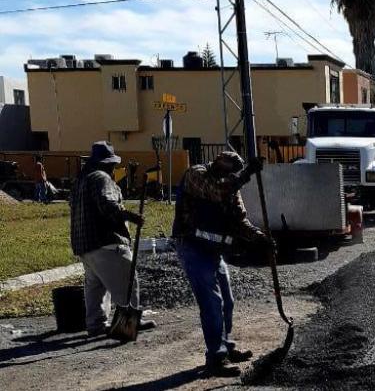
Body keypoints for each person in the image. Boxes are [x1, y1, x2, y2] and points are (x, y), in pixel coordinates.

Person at [171, 151, 271, 377]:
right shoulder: (196, 175)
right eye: (228, 173)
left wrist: (259, 237)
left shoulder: (230, 186)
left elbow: (239, 220)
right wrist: (246, 174)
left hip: (213, 250)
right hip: (192, 245)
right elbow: (217, 191)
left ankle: (225, 346)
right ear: (218, 166)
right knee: (212, 302)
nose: (230, 178)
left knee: (227, 300)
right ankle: (216, 357)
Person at [70, 141, 155, 337]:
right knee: (127, 281)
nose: (113, 167)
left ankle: (96, 324)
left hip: (85, 245)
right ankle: (130, 321)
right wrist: (131, 216)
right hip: (106, 242)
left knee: (96, 288)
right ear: (105, 163)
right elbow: (107, 204)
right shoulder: (102, 178)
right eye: (111, 164)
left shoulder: (81, 181)